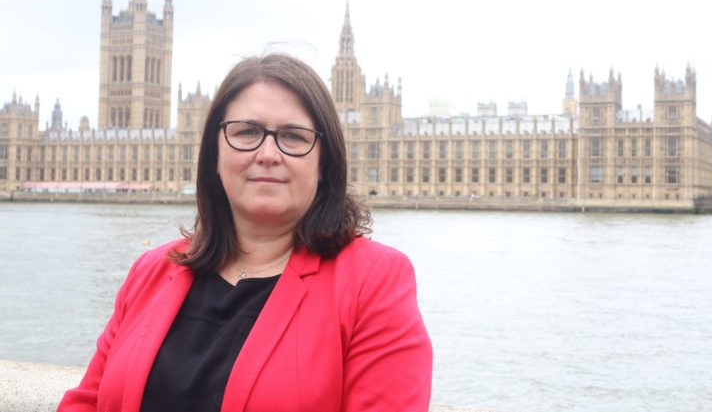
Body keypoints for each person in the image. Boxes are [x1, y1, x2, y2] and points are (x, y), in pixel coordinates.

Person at [58, 54, 433, 412]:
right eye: (247, 132)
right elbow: (89, 400)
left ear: (324, 163)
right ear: (214, 157)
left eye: (293, 137)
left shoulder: (374, 282)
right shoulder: (150, 272)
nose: (268, 153)